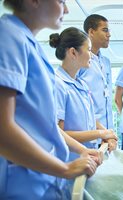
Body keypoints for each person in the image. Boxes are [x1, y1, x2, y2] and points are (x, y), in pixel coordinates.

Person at [0, 1, 101, 199]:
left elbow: (46, 126)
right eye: (61, 1)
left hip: (45, 180)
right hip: (24, 185)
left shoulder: (30, 44)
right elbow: (2, 131)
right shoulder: (8, 37)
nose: (66, 9)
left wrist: (82, 151)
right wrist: (64, 169)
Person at [49, 27, 118, 158]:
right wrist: (100, 134)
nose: (91, 55)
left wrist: (107, 134)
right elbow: (58, 133)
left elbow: (92, 118)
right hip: (69, 161)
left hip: (87, 158)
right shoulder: (57, 84)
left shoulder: (82, 84)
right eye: (89, 50)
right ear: (73, 53)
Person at [78, 14, 114, 131]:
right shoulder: (80, 60)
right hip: (90, 129)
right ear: (91, 32)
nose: (109, 34)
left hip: (107, 129)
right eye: (105, 30)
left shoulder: (106, 62)